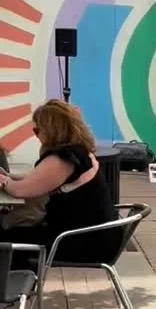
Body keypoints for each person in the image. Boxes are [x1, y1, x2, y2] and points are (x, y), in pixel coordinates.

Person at [0, 100, 119, 264]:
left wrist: (6, 182)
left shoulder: (63, 159)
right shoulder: (78, 153)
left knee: (6, 242)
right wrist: (8, 177)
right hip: (95, 236)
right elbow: (38, 180)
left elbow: (22, 190)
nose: (36, 135)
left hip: (81, 242)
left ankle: (20, 278)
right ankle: (24, 277)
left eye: (37, 130)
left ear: (51, 129)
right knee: (15, 235)